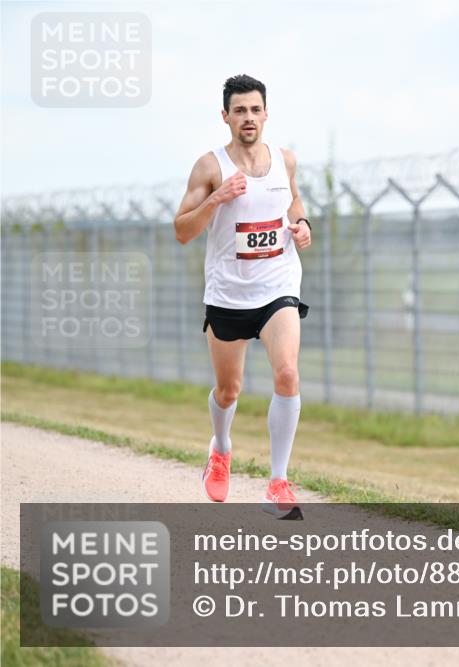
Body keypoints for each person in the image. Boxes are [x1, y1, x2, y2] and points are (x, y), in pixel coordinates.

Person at [173, 74, 311, 519]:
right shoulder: (209, 166)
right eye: (240, 111)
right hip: (229, 294)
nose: (248, 118)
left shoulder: (284, 161)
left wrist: (303, 226)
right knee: (229, 391)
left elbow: (294, 204)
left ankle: (277, 482)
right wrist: (216, 199)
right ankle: (221, 449)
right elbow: (182, 231)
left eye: (255, 110)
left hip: (278, 286)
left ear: (266, 113)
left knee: (287, 373)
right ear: (226, 116)